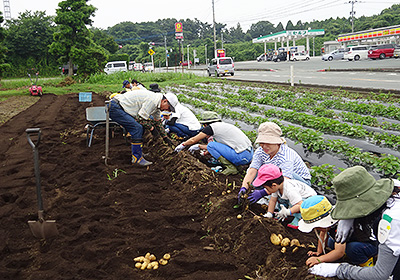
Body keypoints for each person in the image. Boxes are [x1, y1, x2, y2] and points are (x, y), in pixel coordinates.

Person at [309, 166, 400, 280]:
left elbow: (380, 274)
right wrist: (348, 217)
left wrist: (339, 269)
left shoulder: (391, 220)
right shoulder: (393, 186)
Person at [237, 122, 311, 206]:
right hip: (278, 179)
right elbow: (252, 170)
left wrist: (263, 192)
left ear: (277, 142)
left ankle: (280, 202)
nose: (264, 146)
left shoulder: (285, 156)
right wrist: (244, 187)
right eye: (261, 142)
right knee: (259, 172)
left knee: (282, 181)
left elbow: (284, 180)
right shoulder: (260, 151)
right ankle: (268, 194)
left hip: (298, 182)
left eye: (268, 142)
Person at [299, 195, 378, 268]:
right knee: (331, 242)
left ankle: (365, 262)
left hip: (370, 244)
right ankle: (349, 254)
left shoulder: (340, 225)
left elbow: (339, 252)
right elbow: (323, 233)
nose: (316, 229)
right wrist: (319, 252)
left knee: (353, 249)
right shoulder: (330, 224)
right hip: (351, 238)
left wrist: (319, 259)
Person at [109, 89, 175, 166]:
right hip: (116, 108)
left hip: (121, 107)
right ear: (165, 101)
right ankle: (136, 159)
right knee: (137, 128)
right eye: (168, 108)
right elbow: (139, 119)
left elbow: (157, 122)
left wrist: (165, 137)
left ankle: (138, 153)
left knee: (141, 127)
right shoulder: (153, 101)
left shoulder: (157, 104)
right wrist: (152, 129)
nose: (167, 110)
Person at [174, 111, 253, 175]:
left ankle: (230, 167)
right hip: (248, 155)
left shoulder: (211, 128)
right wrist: (200, 148)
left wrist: (183, 144)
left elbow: (194, 140)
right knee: (212, 146)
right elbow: (220, 147)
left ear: (206, 124)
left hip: (240, 157)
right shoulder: (223, 127)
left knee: (211, 145)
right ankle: (237, 167)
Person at [253, 163, 316, 228]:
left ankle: (298, 220)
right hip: (297, 199)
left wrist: (288, 212)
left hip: (309, 200)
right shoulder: (277, 187)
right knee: (280, 200)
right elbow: (272, 201)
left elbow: (300, 205)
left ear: (274, 185)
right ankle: (282, 214)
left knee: (295, 204)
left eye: (266, 188)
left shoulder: (290, 190)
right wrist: (269, 213)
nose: (266, 190)